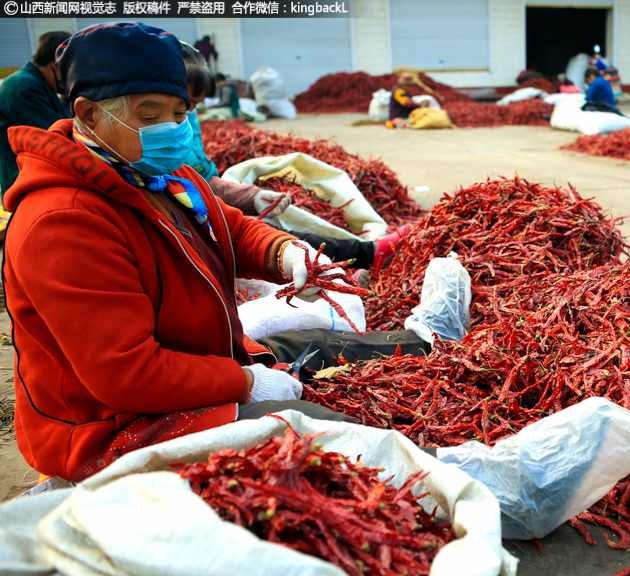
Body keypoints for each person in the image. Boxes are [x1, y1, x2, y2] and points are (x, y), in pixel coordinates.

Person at [3, 22, 439, 482]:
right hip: (118, 427)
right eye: (150, 116)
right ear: (89, 115)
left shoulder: (163, 177)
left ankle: (434, 350)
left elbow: (231, 229)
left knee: (357, 351)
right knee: (342, 442)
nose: (171, 129)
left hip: (205, 360)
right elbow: (128, 375)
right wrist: (247, 383)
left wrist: (288, 253)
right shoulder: (63, 221)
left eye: (179, 112)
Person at [178, 44, 408, 275]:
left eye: (194, 106)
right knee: (262, 240)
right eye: (184, 106)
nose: (189, 113)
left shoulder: (188, 126)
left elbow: (204, 181)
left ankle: (350, 263)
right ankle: (357, 262)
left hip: (206, 213)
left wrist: (251, 196)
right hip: (191, 229)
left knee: (264, 236)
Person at [0, 31, 72, 201]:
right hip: (25, 181)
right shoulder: (23, 87)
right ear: (55, 65)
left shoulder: (39, 84)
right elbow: (56, 136)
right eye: (69, 70)